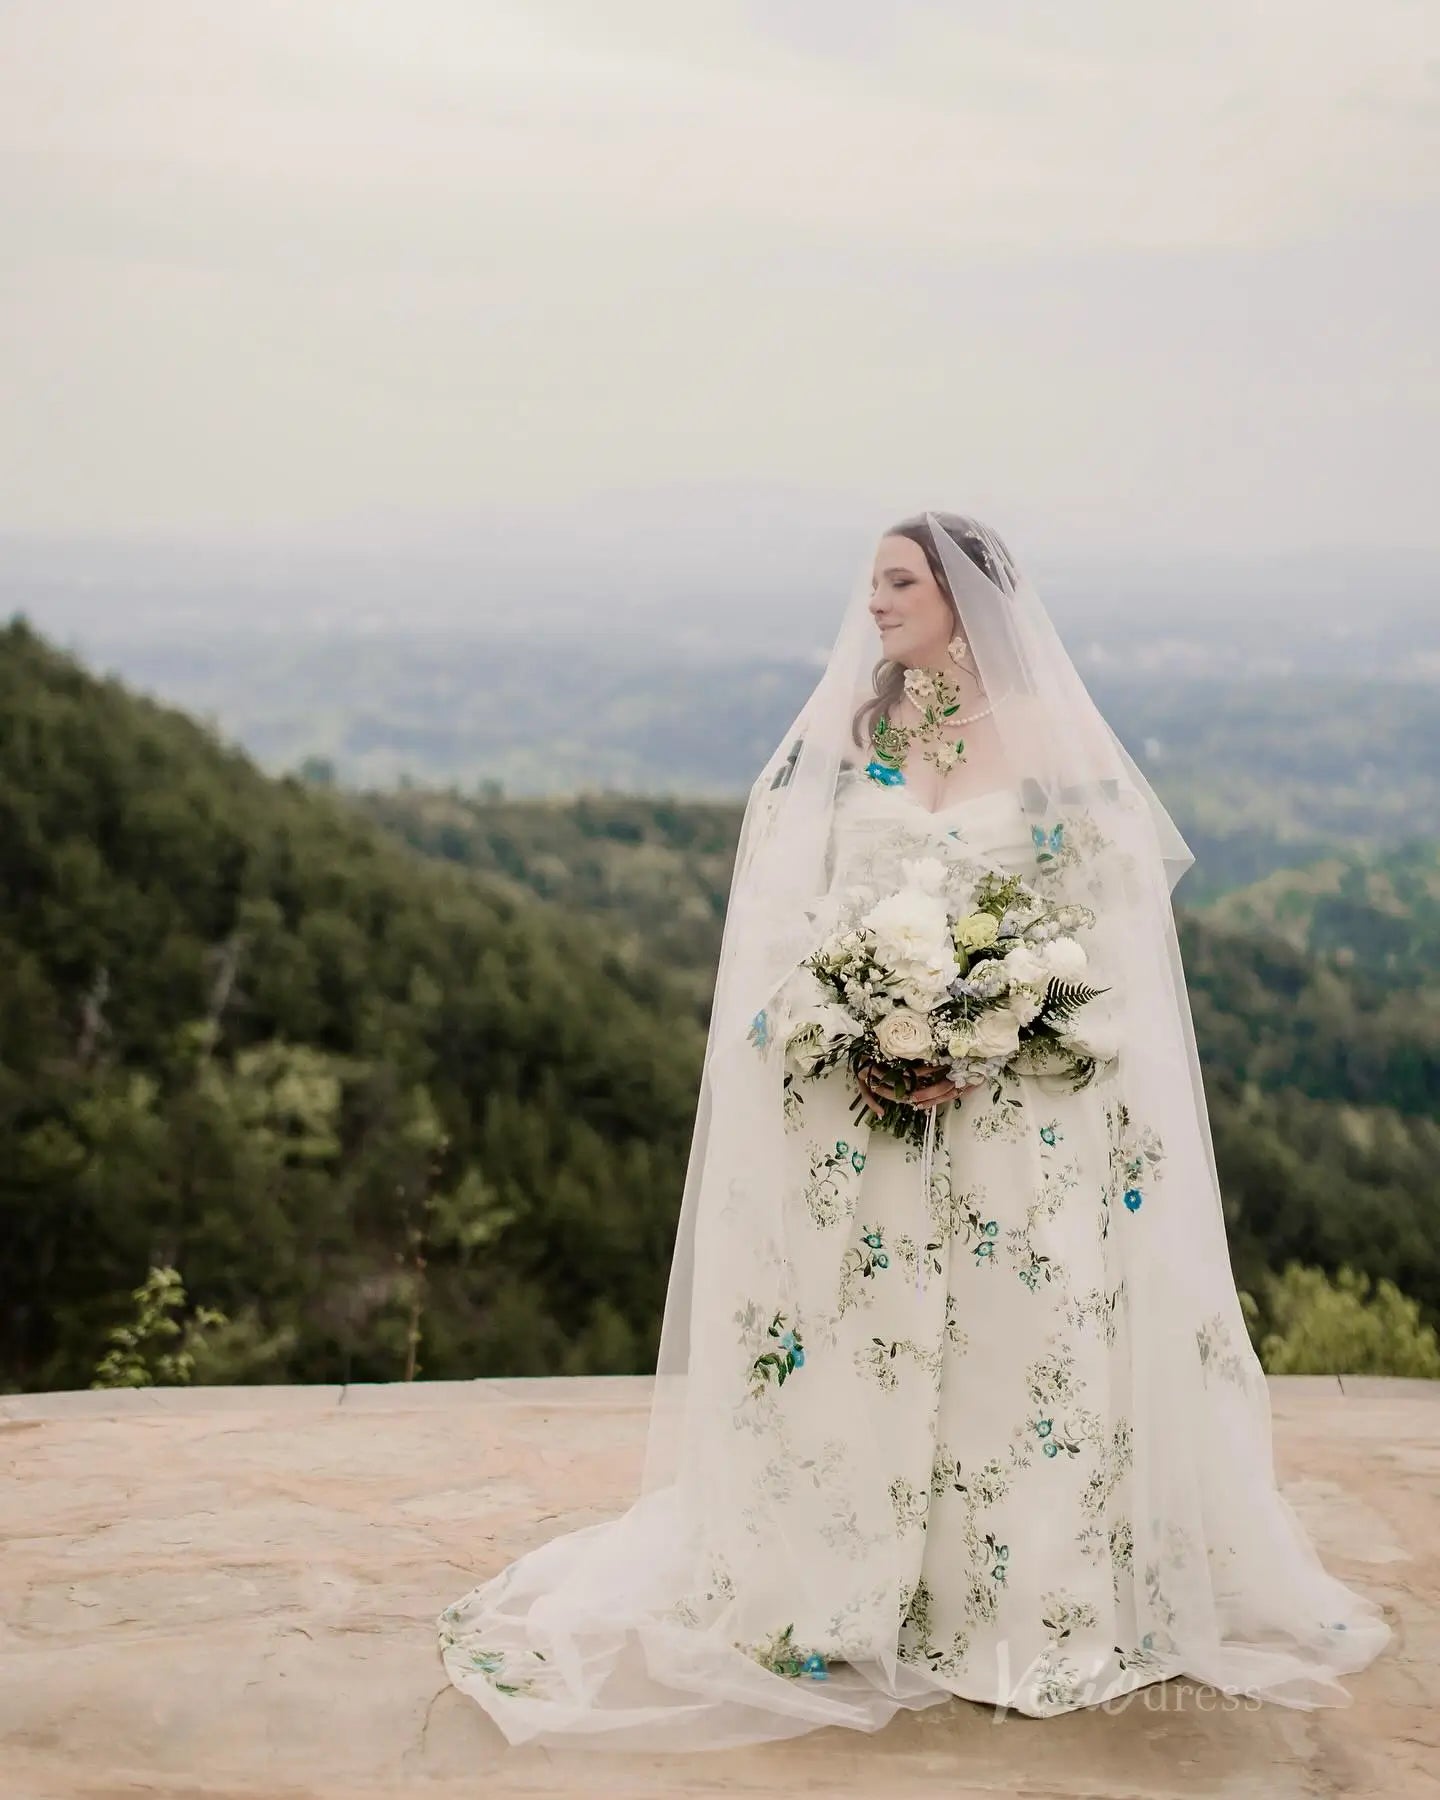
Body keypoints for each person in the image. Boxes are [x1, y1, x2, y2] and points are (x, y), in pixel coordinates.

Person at [436, 510, 1391, 1749]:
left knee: (1012, 1343)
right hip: (866, 1107)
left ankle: (1012, 1596)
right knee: (859, 1336)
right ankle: (846, 1580)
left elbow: (1108, 921)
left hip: (1016, 1107)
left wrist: (996, 1021)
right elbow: (797, 909)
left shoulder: (1051, 737)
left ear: (966, 596)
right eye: (873, 582)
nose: (875, 602)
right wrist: (862, 1023)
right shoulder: (859, 730)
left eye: (898, 580)